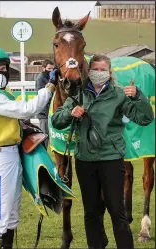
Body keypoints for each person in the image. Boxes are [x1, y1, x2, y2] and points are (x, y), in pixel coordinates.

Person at [51, 54, 154, 249]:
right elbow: (56, 120)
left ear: (109, 72)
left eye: (103, 69)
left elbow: (145, 118)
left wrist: (138, 96)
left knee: (117, 211)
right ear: (88, 71)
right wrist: (69, 113)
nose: (98, 73)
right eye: (95, 69)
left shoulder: (119, 94)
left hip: (111, 160)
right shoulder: (78, 94)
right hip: (85, 161)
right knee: (91, 212)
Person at [0, 47, 58, 249]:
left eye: (2, 69)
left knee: (12, 217)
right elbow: (28, 109)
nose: (0, 74)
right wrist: (50, 87)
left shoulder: (1, 93)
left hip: (11, 155)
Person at [35, 59, 54, 149]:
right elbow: (42, 96)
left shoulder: (51, 77)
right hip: (44, 113)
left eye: (52, 69)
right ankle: (43, 155)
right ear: (43, 68)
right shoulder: (40, 79)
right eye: (49, 68)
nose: (51, 70)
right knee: (45, 136)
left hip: (51, 111)